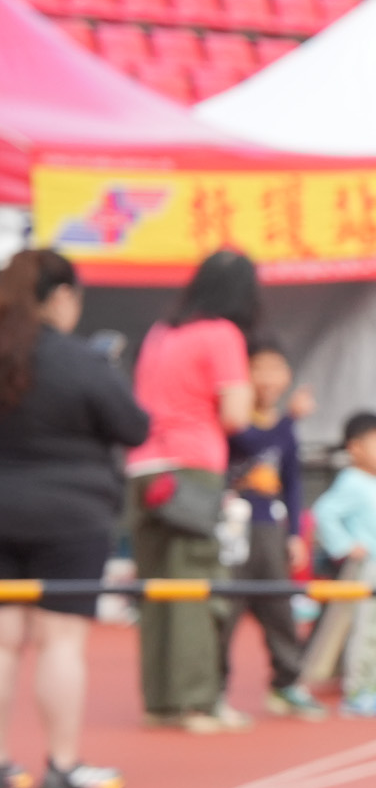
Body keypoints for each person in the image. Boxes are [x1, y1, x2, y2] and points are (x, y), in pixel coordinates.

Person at [0, 250, 147, 788]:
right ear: (61, 296)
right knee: (60, 639)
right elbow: (133, 426)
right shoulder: (83, 361)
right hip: (71, 515)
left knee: (2, 640)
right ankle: (62, 765)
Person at [127, 247, 257, 732]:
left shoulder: (161, 333)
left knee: (155, 587)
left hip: (144, 467)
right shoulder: (222, 334)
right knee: (196, 586)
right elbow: (236, 414)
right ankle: (197, 701)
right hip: (192, 468)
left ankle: (160, 700)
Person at [223, 338, 321, 719]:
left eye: (275, 369)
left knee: (280, 608)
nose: (267, 377)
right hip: (233, 530)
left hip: (270, 529)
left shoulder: (283, 425)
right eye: (258, 368)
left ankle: (287, 683)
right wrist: (291, 419)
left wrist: (294, 534)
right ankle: (213, 691)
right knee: (226, 610)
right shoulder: (236, 417)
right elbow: (252, 442)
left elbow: (292, 483)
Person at [308, 412, 376, 718]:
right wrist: (345, 545)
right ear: (355, 448)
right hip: (372, 570)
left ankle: (374, 684)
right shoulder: (352, 482)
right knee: (367, 630)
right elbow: (324, 512)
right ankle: (357, 692)